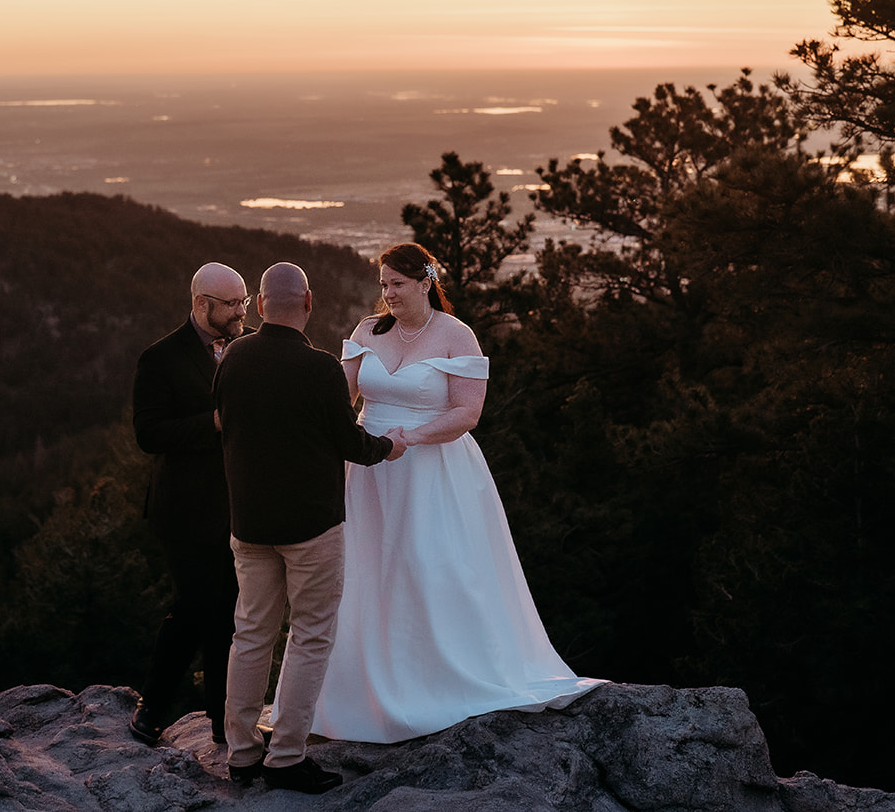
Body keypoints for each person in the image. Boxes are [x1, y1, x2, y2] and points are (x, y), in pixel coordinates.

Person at [310, 242, 606, 743]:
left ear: (425, 283)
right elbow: (343, 400)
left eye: (397, 284)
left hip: (432, 469)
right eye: (383, 285)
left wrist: (408, 440)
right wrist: (361, 443)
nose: (388, 294)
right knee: (369, 568)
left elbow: (468, 413)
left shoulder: (456, 335)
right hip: (370, 471)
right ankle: (366, 688)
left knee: (429, 564)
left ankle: (438, 679)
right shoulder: (367, 331)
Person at [216, 262, 407, 793]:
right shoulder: (320, 369)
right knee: (309, 635)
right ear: (308, 303)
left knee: (250, 633)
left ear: (258, 306)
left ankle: (241, 752)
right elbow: (351, 445)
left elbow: (224, 424)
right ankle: (286, 757)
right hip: (310, 526)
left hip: (249, 523)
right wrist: (391, 446)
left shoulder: (233, 358)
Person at [129, 261, 251, 746]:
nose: (242, 311)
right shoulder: (160, 358)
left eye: (244, 301)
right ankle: (154, 706)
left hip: (241, 502)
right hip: (183, 508)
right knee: (197, 605)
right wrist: (214, 423)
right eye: (232, 304)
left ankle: (224, 723)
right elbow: (148, 433)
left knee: (231, 611)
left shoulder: (250, 347)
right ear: (202, 305)